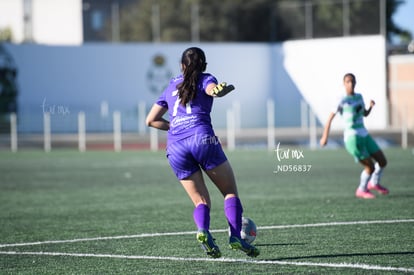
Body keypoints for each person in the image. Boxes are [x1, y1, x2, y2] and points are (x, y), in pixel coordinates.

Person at [145, 47, 260, 258]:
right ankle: (236, 236)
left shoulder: (171, 85)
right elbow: (212, 89)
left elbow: (150, 120)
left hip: (175, 147)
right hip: (202, 139)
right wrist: (219, 91)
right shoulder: (206, 78)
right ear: (204, 65)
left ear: (182, 66)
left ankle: (203, 231)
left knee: (201, 201)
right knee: (229, 192)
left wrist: (175, 127)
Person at [320, 73, 389, 199]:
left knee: (382, 161)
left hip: (364, 134)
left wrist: (370, 107)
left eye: (352, 81)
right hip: (352, 138)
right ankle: (361, 189)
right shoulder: (342, 100)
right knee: (370, 167)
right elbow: (330, 118)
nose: (350, 84)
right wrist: (325, 137)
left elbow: (364, 114)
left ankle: (373, 183)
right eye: (348, 81)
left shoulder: (359, 97)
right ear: (344, 84)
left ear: (355, 82)